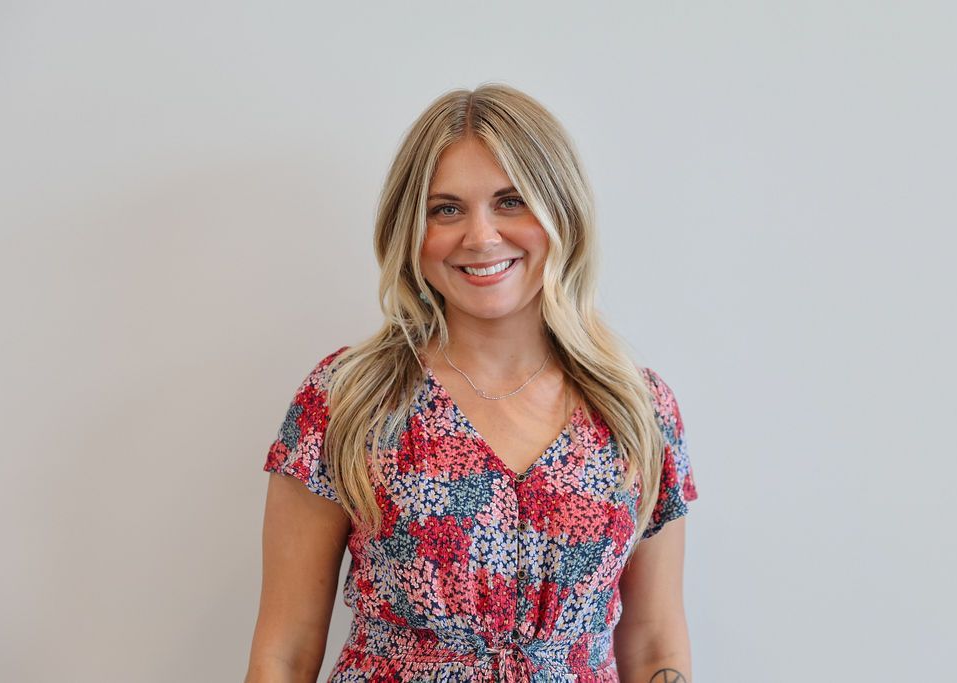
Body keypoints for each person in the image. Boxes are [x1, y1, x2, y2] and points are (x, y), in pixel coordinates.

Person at [245, 82, 699, 683]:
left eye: (511, 201)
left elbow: (655, 642)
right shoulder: (346, 400)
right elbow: (287, 646)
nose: (481, 237)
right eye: (447, 208)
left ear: (560, 211)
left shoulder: (636, 409)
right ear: (412, 230)